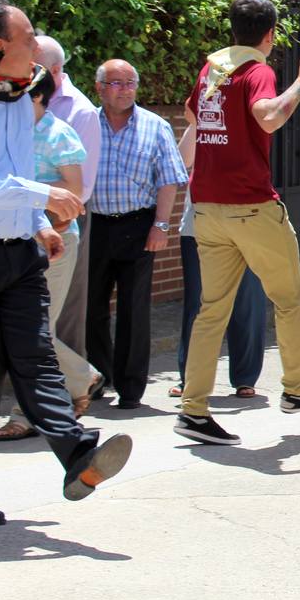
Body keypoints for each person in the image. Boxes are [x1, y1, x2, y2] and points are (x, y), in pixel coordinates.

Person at [0, 0, 131, 526]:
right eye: (28, 38)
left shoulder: (18, 98)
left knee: (36, 356)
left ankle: (77, 453)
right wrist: (41, 197)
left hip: (19, 254)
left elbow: (9, 171)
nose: (37, 45)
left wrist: (36, 226)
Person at [176, 0, 300, 447]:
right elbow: (268, 118)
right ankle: (297, 388)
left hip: (206, 207)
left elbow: (193, 113)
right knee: (287, 298)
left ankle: (193, 409)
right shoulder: (257, 70)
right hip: (250, 205)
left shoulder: (213, 69)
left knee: (212, 310)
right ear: (269, 35)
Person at [0, 70, 101, 440]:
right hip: (15, 240)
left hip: (56, 240)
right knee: (23, 330)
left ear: (38, 98)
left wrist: (24, 189)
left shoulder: (59, 134)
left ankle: (25, 415)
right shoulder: (9, 132)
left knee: (35, 332)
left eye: (18, 93)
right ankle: (80, 375)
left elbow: (73, 188)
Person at [86, 59, 187, 409]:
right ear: (99, 88)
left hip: (138, 225)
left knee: (133, 308)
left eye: (131, 82)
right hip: (94, 225)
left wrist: (161, 225)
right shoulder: (85, 125)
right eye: (116, 83)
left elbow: (170, 179)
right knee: (90, 306)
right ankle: (97, 377)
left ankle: (130, 389)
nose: (125, 89)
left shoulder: (155, 126)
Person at [174, 126, 266, 401]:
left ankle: (245, 377)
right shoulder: (202, 123)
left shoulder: (250, 122)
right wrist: (196, 119)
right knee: (198, 305)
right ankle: (189, 377)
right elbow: (180, 163)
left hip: (245, 226)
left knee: (246, 302)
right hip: (198, 227)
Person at [34, 35, 100, 367]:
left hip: (64, 220)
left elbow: (80, 186)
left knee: (65, 313)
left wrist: (29, 195)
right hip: (27, 221)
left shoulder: (79, 111)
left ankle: (73, 385)